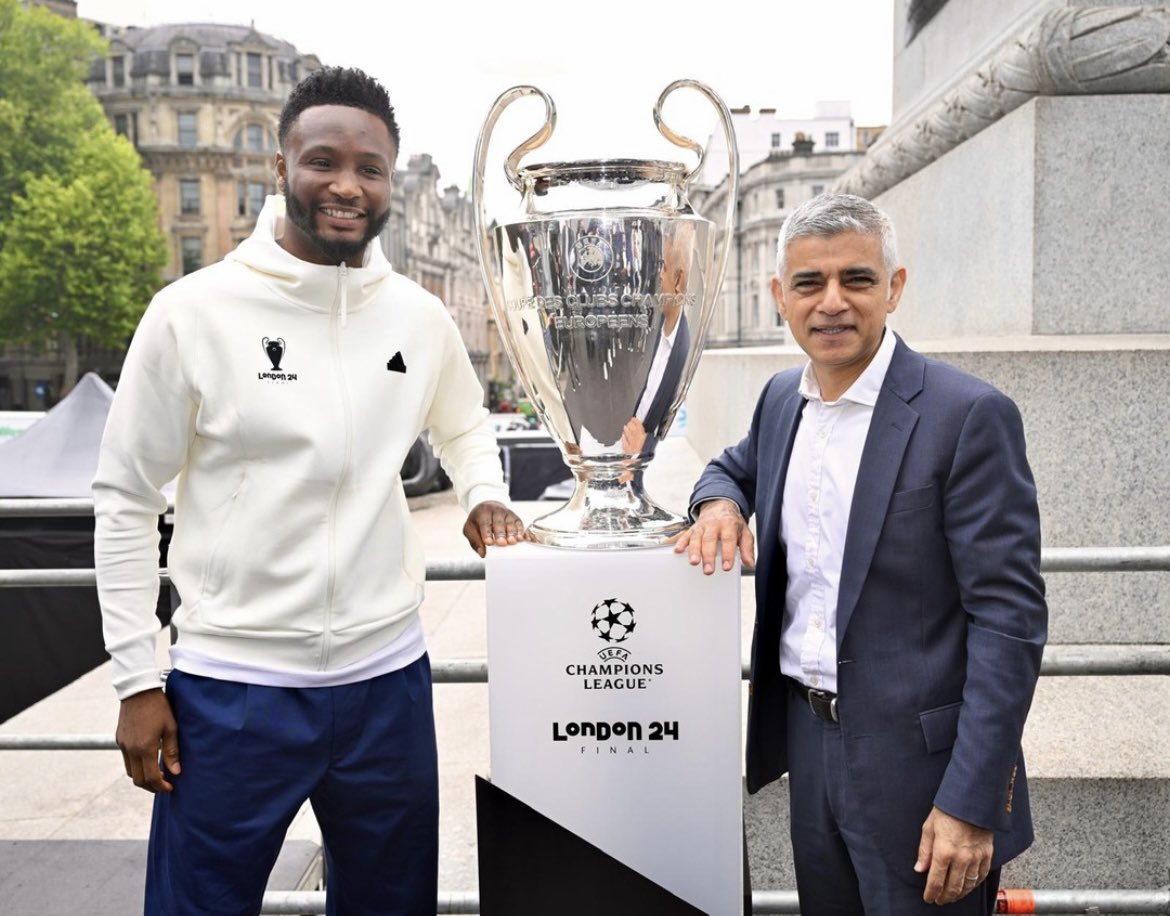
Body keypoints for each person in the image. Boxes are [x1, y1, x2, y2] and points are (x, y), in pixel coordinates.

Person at [93, 66, 526, 915]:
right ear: (280, 167)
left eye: (370, 168)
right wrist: (136, 679)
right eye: (323, 161)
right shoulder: (192, 310)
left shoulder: (419, 316)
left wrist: (483, 489)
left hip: (386, 681)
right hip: (232, 686)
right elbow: (125, 497)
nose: (347, 185)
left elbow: (466, 424)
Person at [675, 194, 1047, 914]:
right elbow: (731, 469)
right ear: (780, 296)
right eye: (809, 283)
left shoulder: (967, 416)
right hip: (807, 748)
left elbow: (1009, 622)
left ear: (894, 287)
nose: (832, 303)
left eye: (857, 279)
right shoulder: (781, 400)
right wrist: (719, 506)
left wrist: (971, 801)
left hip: (924, 773)